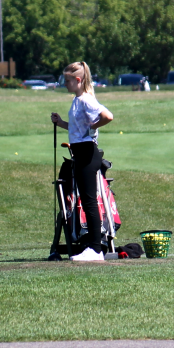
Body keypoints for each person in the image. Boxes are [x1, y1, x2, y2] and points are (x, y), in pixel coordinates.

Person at [50, 61, 114, 262]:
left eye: (68, 81)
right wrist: (60, 123)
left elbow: (108, 116)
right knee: (87, 201)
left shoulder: (86, 99)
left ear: (78, 80)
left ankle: (95, 250)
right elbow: (77, 129)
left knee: (89, 201)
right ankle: (93, 249)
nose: (65, 84)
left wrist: (94, 126)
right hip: (80, 151)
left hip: (87, 152)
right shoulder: (77, 100)